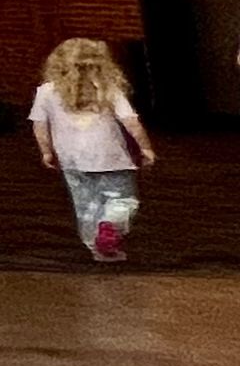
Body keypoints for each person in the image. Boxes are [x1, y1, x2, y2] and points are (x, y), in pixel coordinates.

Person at [29, 37, 155, 263]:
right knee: (122, 199)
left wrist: (46, 151)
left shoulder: (46, 92)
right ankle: (111, 225)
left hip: (71, 160)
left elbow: (39, 126)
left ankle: (96, 247)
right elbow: (131, 122)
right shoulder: (108, 89)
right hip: (111, 157)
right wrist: (145, 147)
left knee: (86, 205)